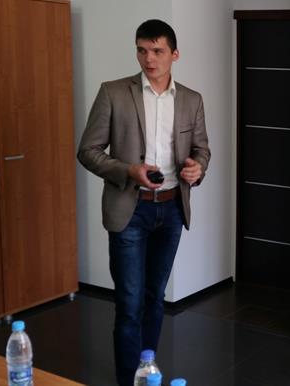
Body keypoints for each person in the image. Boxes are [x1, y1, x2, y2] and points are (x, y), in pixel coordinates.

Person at [77, 19, 210, 386]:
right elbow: (87, 151)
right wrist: (128, 171)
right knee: (130, 302)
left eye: (157, 51)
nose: (149, 59)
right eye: (142, 50)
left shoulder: (192, 100)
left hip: (171, 209)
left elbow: (202, 150)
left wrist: (197, 168)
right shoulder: (113, 93)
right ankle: (127, 380)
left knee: (154, 297)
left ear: (174, 54)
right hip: (129, 210)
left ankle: (145, 374)